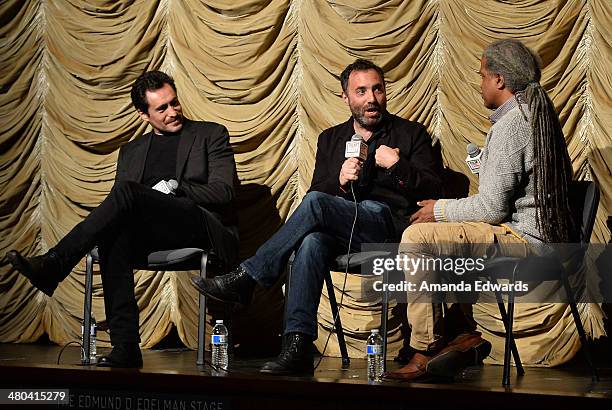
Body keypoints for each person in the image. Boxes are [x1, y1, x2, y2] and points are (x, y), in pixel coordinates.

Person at [191, 59, 444, 375]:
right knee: (310, 243)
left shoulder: (411, 133)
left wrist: (397, 165)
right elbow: (318, 191)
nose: (372, 99)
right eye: (361, 91)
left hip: (389, 228)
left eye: (377, 89)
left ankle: (248, 277)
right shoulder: (331, 139)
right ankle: (297, 347)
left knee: (319, 206)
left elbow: (434, 187)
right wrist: (338, 180)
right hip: (342, 231)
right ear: (346, 98)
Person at [7, 71, 239, 368]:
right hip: (152, 232)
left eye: (174, 103)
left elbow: (224, 191)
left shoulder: (209, 134)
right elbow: (121, 207)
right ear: (143, 115)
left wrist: (176, 187)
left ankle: (55, 263)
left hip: (197, 225)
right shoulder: (131, 151)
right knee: (112, 235)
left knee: (127, 192)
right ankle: (125, 346)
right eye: (162, 108)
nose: (173, 112)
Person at [384, 39, 575, 381]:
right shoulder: (531, 113)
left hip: (525, 241)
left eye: (483, 75)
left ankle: (425, 348)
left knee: (417, 237)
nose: (480, 82)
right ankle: (460, 335)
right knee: (438, 244)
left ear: (499, 80)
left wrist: (438, 210)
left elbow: (491, 208)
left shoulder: (512, 123)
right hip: (536, 236)